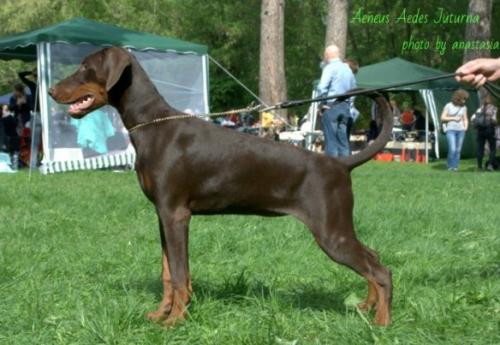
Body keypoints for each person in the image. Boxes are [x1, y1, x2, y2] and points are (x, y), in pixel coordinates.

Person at [316, 45, 356, 157]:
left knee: (331, 142)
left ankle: (331, 172)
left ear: (327, 55)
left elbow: (322, 88)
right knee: (343, 142)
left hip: (331, 107)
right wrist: (349, 105)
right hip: (345, 108)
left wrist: (322, 104)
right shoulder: (348, 70)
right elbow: (354, 90)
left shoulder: (329, 68)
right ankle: (345, 168)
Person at [441, 89, 469, 171]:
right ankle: (450, 166)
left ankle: (455, 166)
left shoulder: (464, 107)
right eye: (463, 98)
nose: (464, 101)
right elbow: (442, 118)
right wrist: (454, 118)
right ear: (458, 98)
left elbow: (465, 118)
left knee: (458, 150)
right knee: (452, 149)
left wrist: (465, 127)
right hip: (451, 130)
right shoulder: (448, 105)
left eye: (465, 99)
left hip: (461, 130)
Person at [471, 94, 497, 171]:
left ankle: (479, 166)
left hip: (480, 130)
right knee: (492, 147)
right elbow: (494, 119)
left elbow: (472, 118)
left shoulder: (480, 109)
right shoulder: (494, 108)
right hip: (489, 129)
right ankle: (490, 165)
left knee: (480, 148)